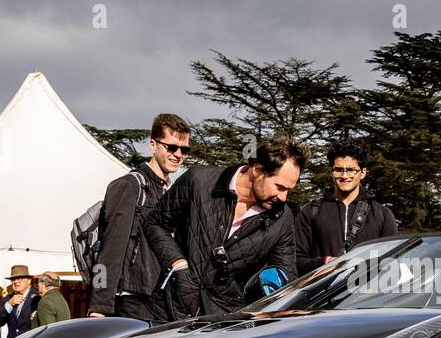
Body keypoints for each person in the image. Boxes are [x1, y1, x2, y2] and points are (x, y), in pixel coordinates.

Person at [143, 137, 304, 316]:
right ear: (257, 170)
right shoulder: (198, 180)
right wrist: (177, 264)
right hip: (167, 310)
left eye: (289, 190)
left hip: (224, 323)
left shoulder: (282, 217)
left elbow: (285, 275)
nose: (283, 197)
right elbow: (154, 223)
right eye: (280, 187)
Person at [88, 114, 189, 323]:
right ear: (153, 145)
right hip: (131, 300)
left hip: (160, 301)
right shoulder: (130, 185)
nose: (178, 154)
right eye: (171, 147)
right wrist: (99, 306)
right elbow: (110, 249)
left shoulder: (171, 192)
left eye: (184, 150)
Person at [295, 139, 398, 274]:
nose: (344, 176)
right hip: (323, 293)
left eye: (351, 170)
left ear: (363, 173)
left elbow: (393, 261)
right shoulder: (310, 211)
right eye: (338, 170)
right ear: (331, 171)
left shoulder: (383, 214)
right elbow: (296, 261)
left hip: (368, 293)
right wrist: (325, 262)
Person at [0, 265, 38, 338]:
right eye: (13, 279)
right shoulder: (8, 299)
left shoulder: (37, 298)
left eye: (19, 278)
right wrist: (9, 304)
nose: (15, 282)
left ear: (29, 280)